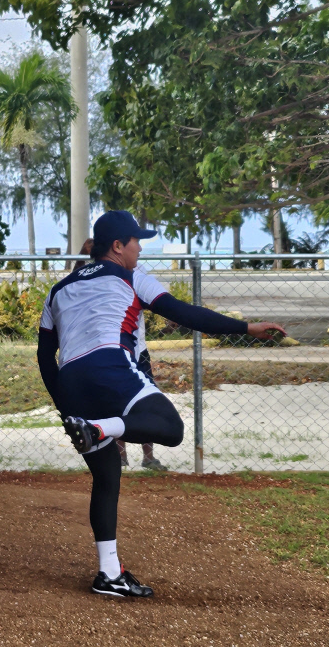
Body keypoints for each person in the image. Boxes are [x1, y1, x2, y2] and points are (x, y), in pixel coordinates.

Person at [37, 211, 284, 598]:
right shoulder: (130, 276)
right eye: (136, 241)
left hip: (71, 381)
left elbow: (44, 355)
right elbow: (183, 313)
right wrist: (246, 328)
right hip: (110, 366)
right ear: (117, 246)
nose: (139, 248)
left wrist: (65, 407)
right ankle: (101, 429)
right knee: (171, 428)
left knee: (107, 477)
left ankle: (109, 573)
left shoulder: (58, 289)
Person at [77, 238, 165, 471]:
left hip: (137, 349)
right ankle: (121, 457)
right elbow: (74, 282)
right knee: (113, 403)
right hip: (109, 351)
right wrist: (82, 255)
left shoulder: (136, 271)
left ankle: (149, 457)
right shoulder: (95, 270)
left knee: (146, 402)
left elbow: (155, 299)